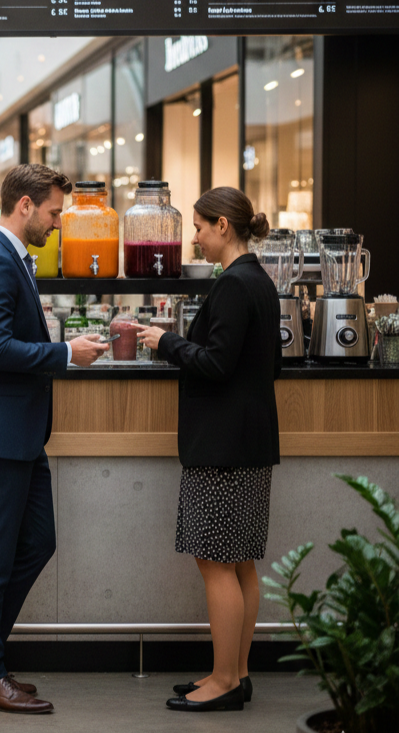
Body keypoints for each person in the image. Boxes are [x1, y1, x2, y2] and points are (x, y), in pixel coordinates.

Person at [0, 164, 108, 714]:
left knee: (38, 540)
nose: (58, 224)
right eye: (54, 212)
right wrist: (65, 353)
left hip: (17, 431)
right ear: (25, 206)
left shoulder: (8, 256)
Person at [134, 187, 279, 713]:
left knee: (215, 561)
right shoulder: (259, 281)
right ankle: (237, 673)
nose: (193, 237)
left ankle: (223, 681)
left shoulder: (234, 284)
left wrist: (165, 342)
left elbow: (217, 364)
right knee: (240, 563)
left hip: (222, 445)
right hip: (250, 441)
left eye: (197, 227)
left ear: (222, 226)